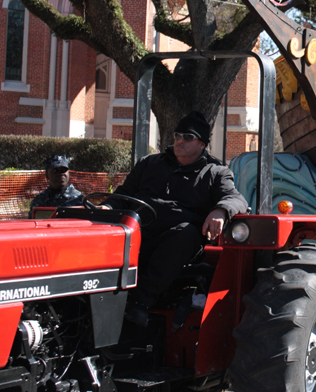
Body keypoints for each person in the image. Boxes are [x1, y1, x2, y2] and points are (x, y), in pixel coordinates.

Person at [102, 111, 249, 326]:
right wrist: (106, 207)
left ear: (202, 144)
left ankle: (139, 302)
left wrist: (221, 210)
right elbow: (123, 195)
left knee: (186, 233)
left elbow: (235, 199)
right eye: (178, 135)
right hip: (137, 232)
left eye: (188, 137)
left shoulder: (216, 173)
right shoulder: (149, 164)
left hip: (178, 242)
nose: (180, 141)